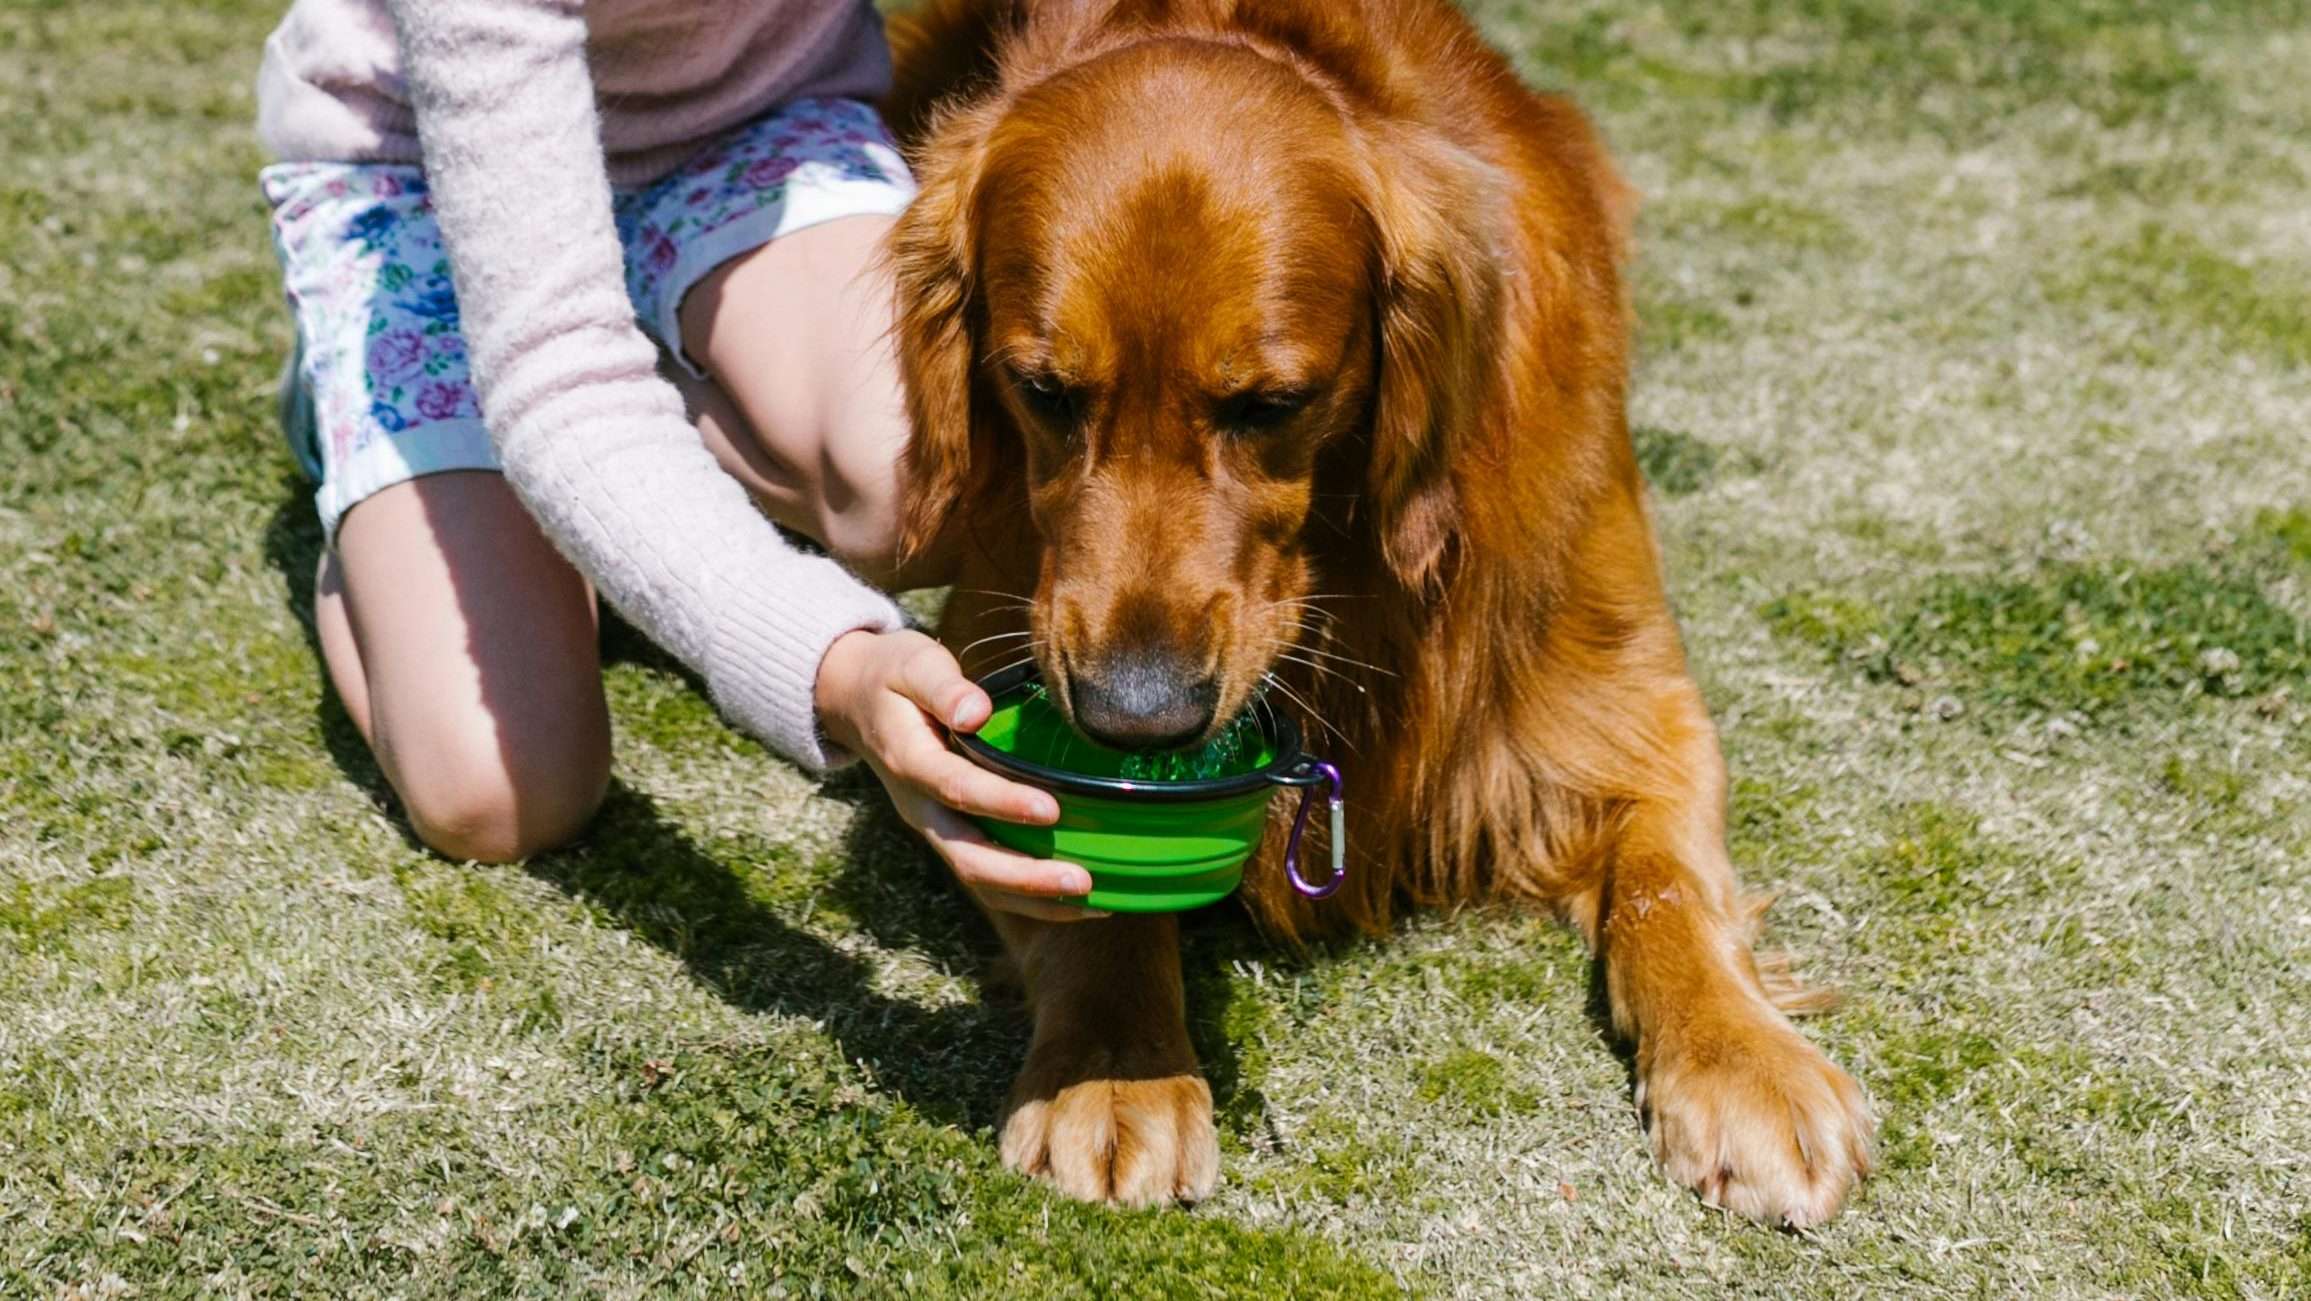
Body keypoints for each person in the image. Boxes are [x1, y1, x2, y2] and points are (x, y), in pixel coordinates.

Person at [257, 0, 1101, 923]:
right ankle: (367, 433)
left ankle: (638, 409)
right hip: (427, 169)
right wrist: (833, 665)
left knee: (922, 490)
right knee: (499, 793)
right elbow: (557, 375)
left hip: (755, 126)